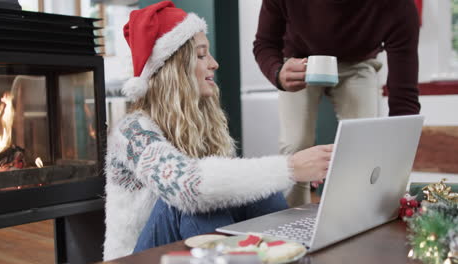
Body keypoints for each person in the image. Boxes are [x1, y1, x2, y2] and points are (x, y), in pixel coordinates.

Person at [103, 1, 333, 260]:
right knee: (195, 203)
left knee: (258, 192)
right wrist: (290, 168)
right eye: (201, 55)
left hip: (178, 251)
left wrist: (294, 172)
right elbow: (189, 187)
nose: (214, 63)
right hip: (135, 258)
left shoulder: (202, 122)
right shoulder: (131, 131)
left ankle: (290, 255)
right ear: (173, 67)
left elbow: (230, 186)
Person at [253, 0, 421, 207]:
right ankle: (290, 218)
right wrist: (278, 73)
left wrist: (397, 157)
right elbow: (265, 42)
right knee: (295, 143)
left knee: (363, 145)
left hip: (358, 63)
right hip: (300, 60)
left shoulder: (397, 6)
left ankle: (356, 212)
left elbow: (403, 95)